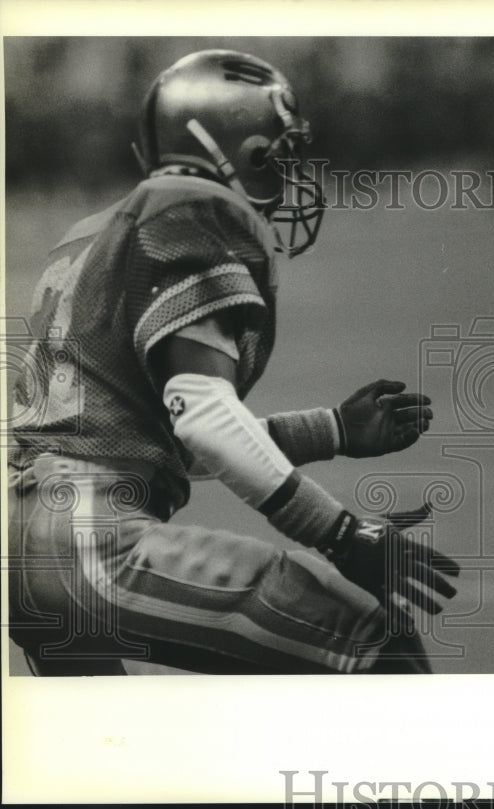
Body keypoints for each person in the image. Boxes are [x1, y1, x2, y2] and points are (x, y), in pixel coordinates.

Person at [7, 49, 459, 676]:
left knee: (104, 761)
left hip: (30, 542)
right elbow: (204, 416)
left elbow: (149, 440)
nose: (290, 170)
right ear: (244, 152)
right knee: (377, 646)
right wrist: (342, 534)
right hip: (92, 540)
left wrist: (330, 430)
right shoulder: (194, 212)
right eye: (279, 151)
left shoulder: (89, 234)